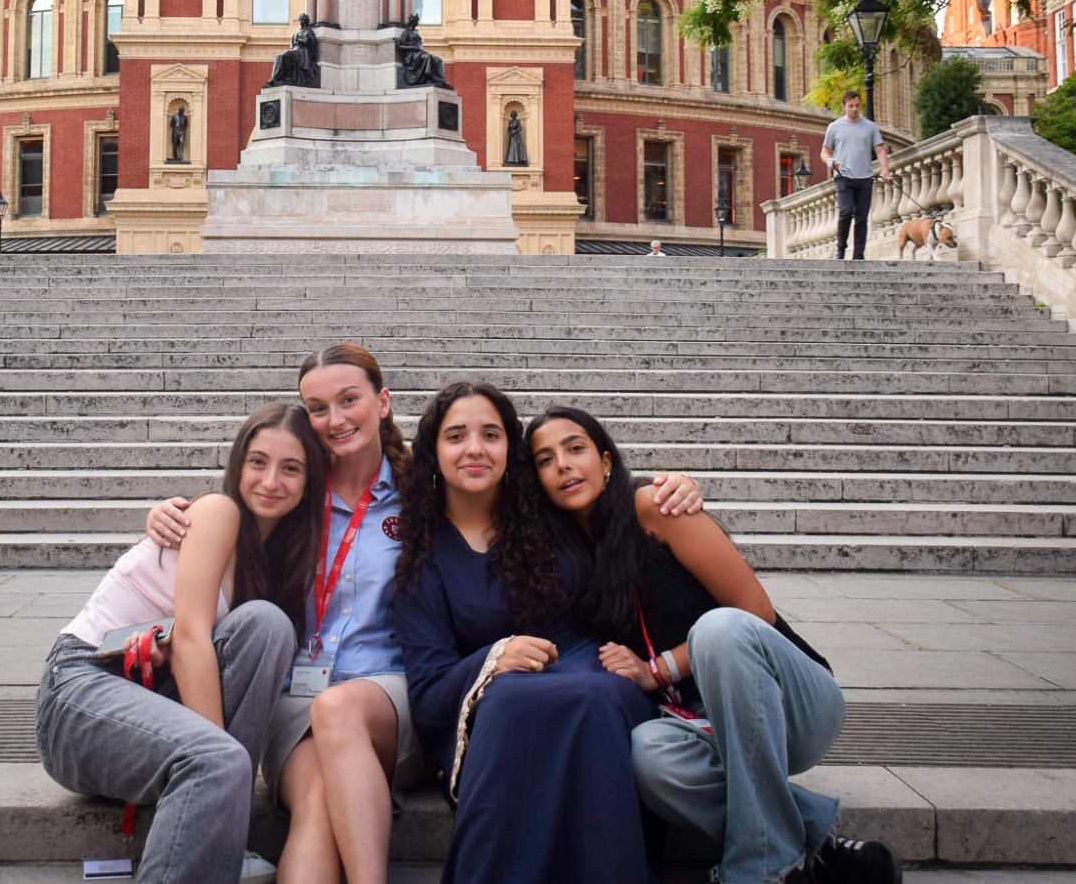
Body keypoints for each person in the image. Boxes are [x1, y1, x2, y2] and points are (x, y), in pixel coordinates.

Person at [145, 346, 707, 884]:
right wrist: (176, 515)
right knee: (314, 800)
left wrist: (663, 489)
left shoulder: (417, 493)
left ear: (383, 402)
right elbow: (243, 502)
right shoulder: (294, 486)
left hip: (389, 690)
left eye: (349, 400)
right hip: (302, 694)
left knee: (344, 710)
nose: (335, 419)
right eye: (318, 408)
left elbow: (579, 498)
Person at [524, 405, 901, 884]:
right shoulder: (568, 558)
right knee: (649, 759)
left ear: (606, 461)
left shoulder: (653, 506)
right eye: (545, 460)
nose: (562, 465)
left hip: (789, 703)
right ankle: (817, 845)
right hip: (702, 723)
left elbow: (755, 610)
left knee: (718, 630)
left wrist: (657, 669)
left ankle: (753, 873)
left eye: (575, 448)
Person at [36, 403, 321, 884]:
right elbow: (189, 637)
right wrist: (222, 761)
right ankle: (220, 799)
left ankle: (217, 809)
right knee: (218, 759)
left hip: (151, 704)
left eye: (290, 468)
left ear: (309, 482)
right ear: (238, 465)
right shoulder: (217, 511)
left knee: (269, 624)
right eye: (258, 462)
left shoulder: (274, 556)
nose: (271, 481)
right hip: (82, 692)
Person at [395, 382, 657, 884]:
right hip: (494, 703)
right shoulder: (422, 560)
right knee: (512, 700)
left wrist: (670, 487)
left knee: (592, 699)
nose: (474, 449)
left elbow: (615, 501)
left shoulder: (547, 512)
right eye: (456, 436)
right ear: (433, 453)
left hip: (594, 674)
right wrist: (492, 659)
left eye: (490, 435)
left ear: (509, 449)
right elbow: (427, 697)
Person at [820, 90, 892, 260]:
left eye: (857, 106)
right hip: (843, 176)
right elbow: (824, 151)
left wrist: (885, 169)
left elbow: (880, 150)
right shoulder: (834, 127)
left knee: (861, 217)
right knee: (845, 211)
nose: (854, 109)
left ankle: (858, 255)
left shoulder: (870, 127)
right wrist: (831, 162)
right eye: (851, 106)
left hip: (865, 177)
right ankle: (840, 249)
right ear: (844, 107)